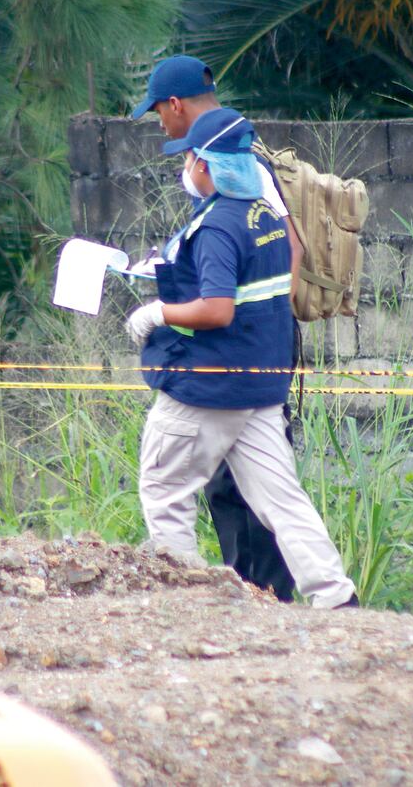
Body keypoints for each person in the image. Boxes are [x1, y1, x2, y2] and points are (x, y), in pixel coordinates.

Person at [125, 108, 356, 608]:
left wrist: (158, 313)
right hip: (261, 389)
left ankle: (184, 602)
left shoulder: (217, 228)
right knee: (282, 501)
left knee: (164, 492)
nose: (185, 167)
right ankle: (336, 598)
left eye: (188, 158)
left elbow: (217, 308)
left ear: (205, 165)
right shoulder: (268, 218)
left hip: (206, 389)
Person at [131, 55, 299, 601]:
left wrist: (236, 314)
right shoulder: (218, 154)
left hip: (245, 339)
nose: (160, 122)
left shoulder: (238, 158)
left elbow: (285, 250)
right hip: (225, 333)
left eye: (158, 111)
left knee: (250, 487)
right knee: (233, 482)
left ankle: (261, 596)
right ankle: (244, 594)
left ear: (175, 105)